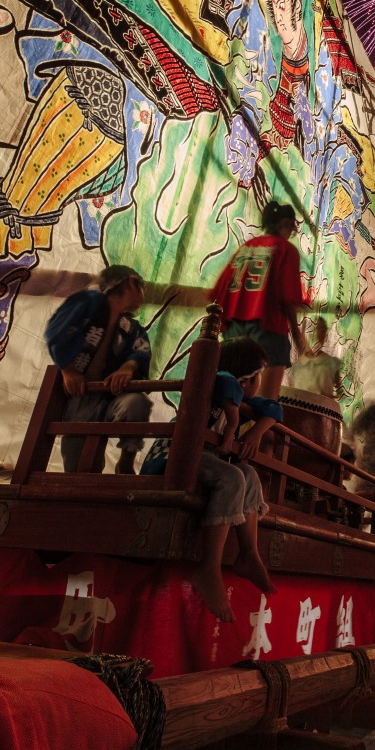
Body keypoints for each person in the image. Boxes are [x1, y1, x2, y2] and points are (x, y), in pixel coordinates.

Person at [141, 336, 280, 621]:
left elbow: (275, 410)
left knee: (250, 475)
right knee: (232, 478)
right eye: (257, 377)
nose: (259, 384)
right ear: (245, 379)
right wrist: (232, 418)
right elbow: (226, 380)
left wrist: (255, 432)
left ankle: (248, 553)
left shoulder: (241, 399)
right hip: (175, 455)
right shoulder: (216, 384)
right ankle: (209, 567)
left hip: (206, 459)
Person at [44, 264, 152, 474]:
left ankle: (126, 463)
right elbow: (56, 331)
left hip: (113, 396)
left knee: (138, 403)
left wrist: (128, 368)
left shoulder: (130, 326)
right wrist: (67, 369)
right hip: (81, 394)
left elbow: (142, 349)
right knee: (79, 469)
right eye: (142, 287)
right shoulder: (88, 301)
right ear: (130, 283)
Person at [210, 200, 307, 399]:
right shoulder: (285, 249)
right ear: (286, 224)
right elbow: (288, 298)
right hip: (267, 328)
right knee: (264, 403)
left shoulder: (245, 248)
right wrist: (297, 336)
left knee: (231, 397)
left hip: (234, 331)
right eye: (291, 228)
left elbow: (219, 293)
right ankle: (258, 430)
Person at [288, 316, 343, 398]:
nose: (319, 334)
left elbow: (339, 391)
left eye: (323, 330)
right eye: (317, 329)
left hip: (322, 409)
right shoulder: (296, 368)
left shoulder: (332, 364)